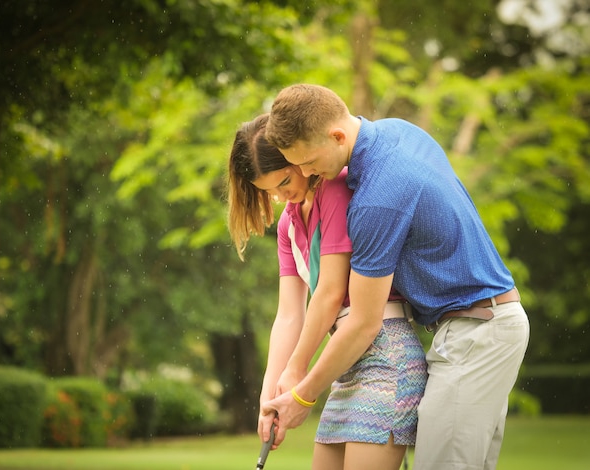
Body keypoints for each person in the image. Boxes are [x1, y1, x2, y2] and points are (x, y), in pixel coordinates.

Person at [262, 84, 530, 470]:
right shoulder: (396, 130)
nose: (305, 174)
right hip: (479, 325)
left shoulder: (377, 198)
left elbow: (364, 324)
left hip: (478, 332)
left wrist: (303, 397)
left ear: (337, 136)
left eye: (307, 161)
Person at [227, 113, 427, 470]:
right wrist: (269, 392)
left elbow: (331, 292)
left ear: (298, 159)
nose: (280, 195)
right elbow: (289, 314)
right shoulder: (289, 223)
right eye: (269, 190)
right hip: (343, 363)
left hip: (385, 352)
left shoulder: (335, 191)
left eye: (285, 180)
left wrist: (297, 369)